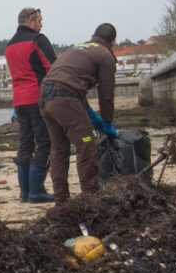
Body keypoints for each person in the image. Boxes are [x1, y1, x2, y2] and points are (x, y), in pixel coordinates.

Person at [39, 23, 119, 206]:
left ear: (92, 35)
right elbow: (106, 94)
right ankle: (90, 199)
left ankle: (61, 201)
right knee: (86, 146)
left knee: (59, 149)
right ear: (113, 42)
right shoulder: (105, 55)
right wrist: (107, 122)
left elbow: (71, 84)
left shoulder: (76, 49)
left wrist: (91, 115)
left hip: (45, 97)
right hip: (65, 100)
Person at [4, 7, 57, 203]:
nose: (41, 25)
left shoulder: (9, 46)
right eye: (40, 21)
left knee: (25, 143)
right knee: (44, 142)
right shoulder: (37, 40)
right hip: (37, 98)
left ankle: (25, 192)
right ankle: (36, 191)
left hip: (19, 101)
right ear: (30, 20)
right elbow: (53, 67)